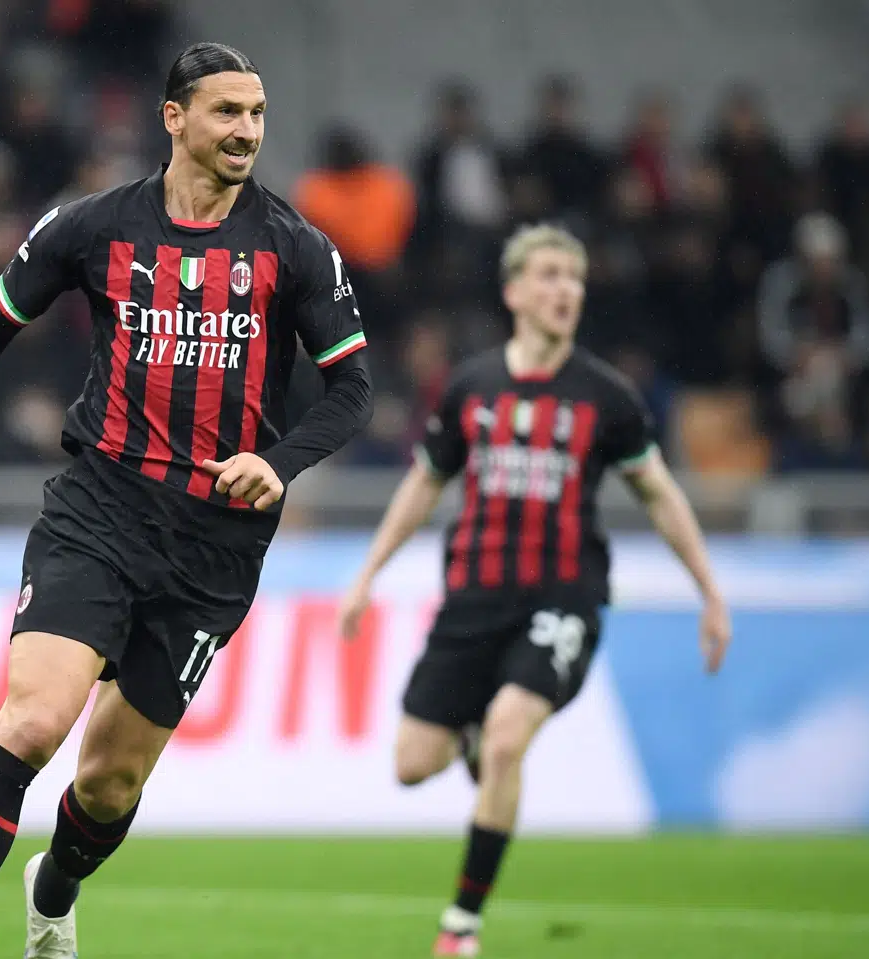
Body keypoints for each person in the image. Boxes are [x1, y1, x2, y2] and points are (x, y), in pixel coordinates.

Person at [0, 42, 372, 959]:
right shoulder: (95, 226)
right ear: (174, 119)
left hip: (214, 545)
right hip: (100, 509)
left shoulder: (294, 246)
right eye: (228, 112)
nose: (247, 132)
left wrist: (282, 461)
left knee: (107, 784)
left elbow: (352, 388)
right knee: (31, 719)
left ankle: (53, 894)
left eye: (258, 114)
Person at [336, 224, 729, 957]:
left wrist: (708, 588)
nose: (563, 290)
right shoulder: (472, 387)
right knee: (412, 764)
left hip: (562, 596)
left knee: (512, 733)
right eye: (547, 275)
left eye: (573, 279)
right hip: (472, 597)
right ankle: (476, 734)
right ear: (514, 291)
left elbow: (659, 492)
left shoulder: (606, 397)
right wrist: (367, 574)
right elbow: (426, 482)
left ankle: (461, 923)